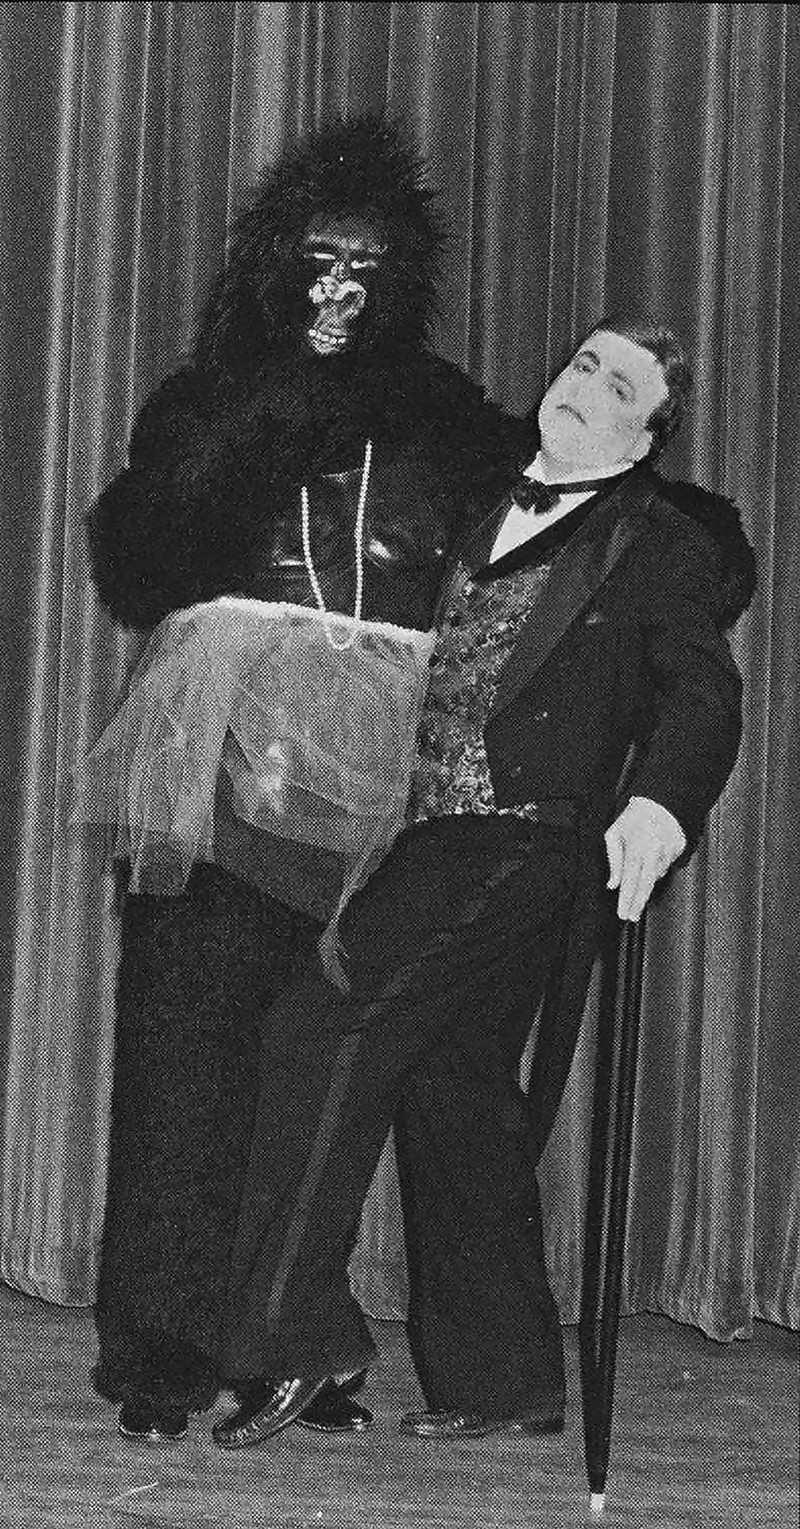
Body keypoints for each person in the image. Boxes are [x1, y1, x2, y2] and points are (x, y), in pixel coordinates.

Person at [207, 316, 756, 1449]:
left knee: (322, 1021)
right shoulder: (481, 504)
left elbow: (701, 690)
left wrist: (661, 801)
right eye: (583, 364)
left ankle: (295, 1338)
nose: (586, 385)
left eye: (619, 387)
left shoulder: (657, 542)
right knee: (453, 1083)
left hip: (524, 840)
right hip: (427, 828)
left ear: (644, 439)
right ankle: (505, 1374)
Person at [79, 116, 516, 1443]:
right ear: (275, 267)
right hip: (221, 737)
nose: (339, 292)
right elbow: (140, 562)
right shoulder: (208, 397)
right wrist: (263, 423)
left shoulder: (439, 408)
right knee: (187, 1052)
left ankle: (284, 1341)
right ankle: (162, 1350)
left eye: (366, 269)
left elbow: (529, 529)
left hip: (384, 754)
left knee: (313, 1064)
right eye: (318, 262)